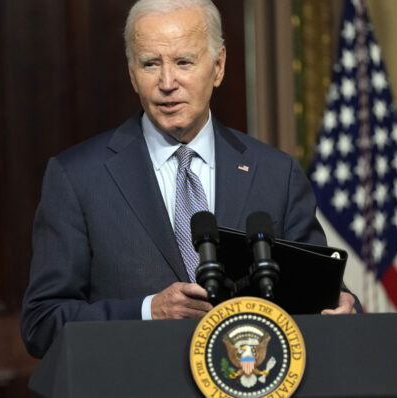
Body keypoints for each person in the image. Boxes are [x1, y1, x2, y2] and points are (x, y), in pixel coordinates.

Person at [20, 0, 359, 359]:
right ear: (132, 73)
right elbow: (42, 324)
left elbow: (326, 299)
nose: (167, 83)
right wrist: (149, 311)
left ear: (218, 65)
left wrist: (343, 309)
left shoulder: (276, 173)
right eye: (151, 63)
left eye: (184, 62)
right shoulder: (77, 177)